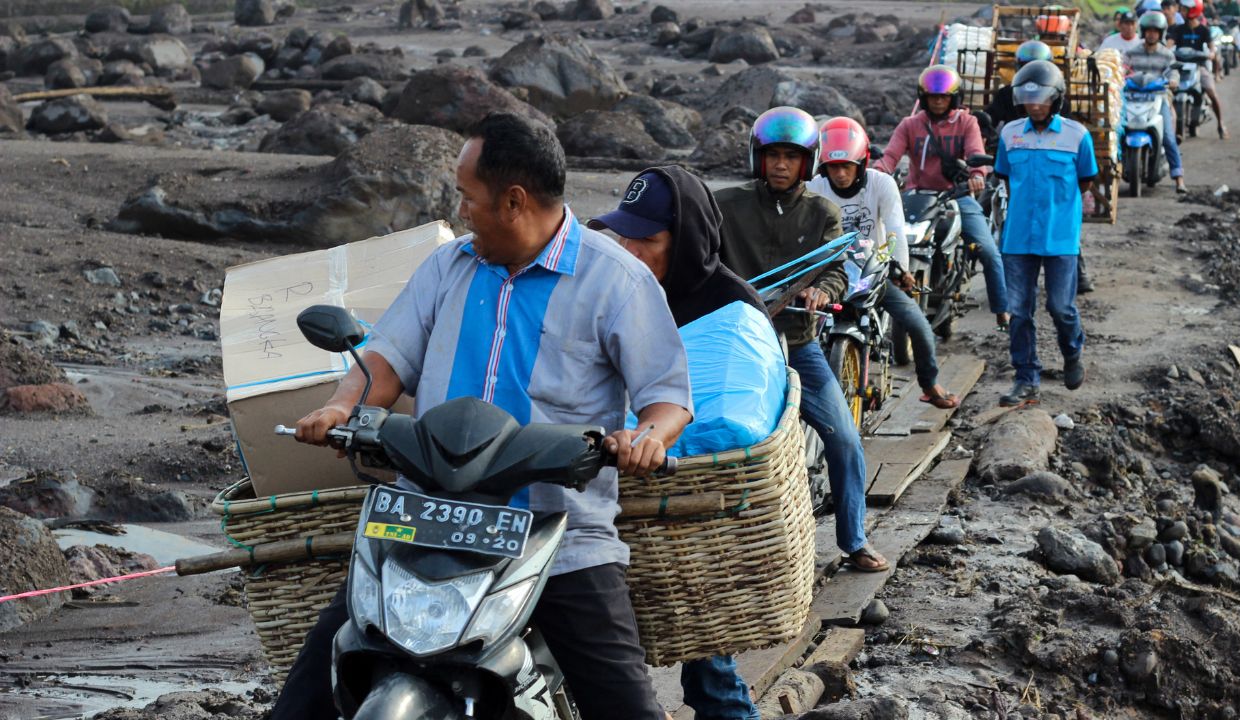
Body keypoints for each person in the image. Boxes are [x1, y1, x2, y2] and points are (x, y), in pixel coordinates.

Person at [273, 112, 694, 720]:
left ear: (514, 201)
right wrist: (343, 407)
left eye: (469, 198)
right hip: (423, 520)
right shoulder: (448, 267)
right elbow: (386, 359)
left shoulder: (617, 281)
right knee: (301, 703)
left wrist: (647, 437)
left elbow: (667, 398)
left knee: (626, 709)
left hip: (555, 535)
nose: (462, 213)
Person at [588, 166, 766, 720]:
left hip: (687, 518)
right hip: (606, 499)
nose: (631, 250)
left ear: (686, 238)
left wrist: (655, 440)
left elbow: (732, 422)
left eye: (649, 239)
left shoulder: (730, 306)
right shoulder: (616, 290)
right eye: (625, 236)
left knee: (710, 671)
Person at [714, 106, 888, 573]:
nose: (781, 165)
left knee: (845, 439)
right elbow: (698, 253)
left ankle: (853, 539)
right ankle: (724, 544)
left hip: (797, 343)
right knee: (717, 438)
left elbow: (835, 267)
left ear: (808, 162)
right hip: (736, 344)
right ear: (757, 157)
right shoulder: (725, 205)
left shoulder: (822, 213)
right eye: (772, 155)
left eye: (792, 156)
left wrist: (821, 290)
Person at [806, 116, 959, 409]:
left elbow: (894, 230)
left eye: (846, 166)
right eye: (833, 167)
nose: (839, 174)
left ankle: (929, 383)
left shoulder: (882, 184)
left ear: (861, 163)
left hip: (872, 272)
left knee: (919, 326)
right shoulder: (814, 187)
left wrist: (899, 268)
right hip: (829, 274)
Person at [994, 61, 1097, 407]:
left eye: (1040, 98)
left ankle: (1072, 351)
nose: (1034, 105)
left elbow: (1085, 180)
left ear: (1056, 100)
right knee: (1019, 312)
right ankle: (1026, 377)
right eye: (1027, 98)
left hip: (1060, 237)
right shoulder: (1010, 134)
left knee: (1060, 307)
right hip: (1018, 236)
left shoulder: (1077, 136)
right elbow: (1006, 178)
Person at [877, 65, 1009, 330]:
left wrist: (977, 175)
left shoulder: (967, 122)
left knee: (989, 252)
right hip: (917, 197)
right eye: (933, 96)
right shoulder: (910, 124)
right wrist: (876, 173)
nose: (938, 101)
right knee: (883, 247)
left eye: (944, 96)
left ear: (954, 98)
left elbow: (975, 152)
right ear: (923, 97)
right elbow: (890, 157)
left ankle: (1002, 310)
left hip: (955, 196)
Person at [1125, 11, 1189, 193]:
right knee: (1115, 132)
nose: (1151, 34)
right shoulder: (1131, 53)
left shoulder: (1167, 55)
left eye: (1155, 31)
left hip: (1158, 99)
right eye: (1148, 31)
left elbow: (1173, 73)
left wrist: (1174, 80)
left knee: (1168, 137)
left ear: (1161, 33)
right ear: (1143, 32)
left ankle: (1179, 179)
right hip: (1131, 98)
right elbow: (1122, 68)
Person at [1170, 0, 1229, 138]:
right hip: (1180, 67)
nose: (1181, 12)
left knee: (1211, 91)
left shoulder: (1204, 30)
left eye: (1184, 9)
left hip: (1199, 66)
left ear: (1193, 10)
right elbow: (1170, 44)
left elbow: (1211, 47)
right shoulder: (1178, 29)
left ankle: (1220, 124)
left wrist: (1212, 53)